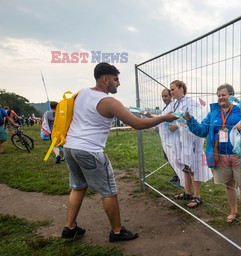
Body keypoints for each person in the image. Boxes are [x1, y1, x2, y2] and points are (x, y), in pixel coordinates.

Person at [62, 62, 178, 242]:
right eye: (116, 79)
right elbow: (137, 124)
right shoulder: (109, 102)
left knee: (78, 186)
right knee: (108, 191)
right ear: (105, 79)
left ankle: (69, 228)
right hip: (89, 150)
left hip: (70, 147)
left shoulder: (82, 93)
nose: (118, 83)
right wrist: (163, 118)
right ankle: (117, 232)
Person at [185, 84, 241, 229]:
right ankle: (233, 211)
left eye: (224, 95)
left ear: (231, 96)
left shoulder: (240, 109)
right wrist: (190, 120)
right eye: (219, 95)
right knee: (229, 185)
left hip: (240, 155)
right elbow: (202, 131)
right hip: (220, 155)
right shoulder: (213, 113)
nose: (221, 98)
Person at [168, 80, 212, 208]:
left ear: (181, 88)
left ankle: (197, 196)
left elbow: (194, 119)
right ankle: (188, 192)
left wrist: (177, 125)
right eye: (170, 90)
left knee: (194, 166)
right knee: (185, 165)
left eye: (173, 89)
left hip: (192, 140)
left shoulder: (191, 103)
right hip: (182, 139)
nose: (171, 92)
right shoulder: (176, 104)